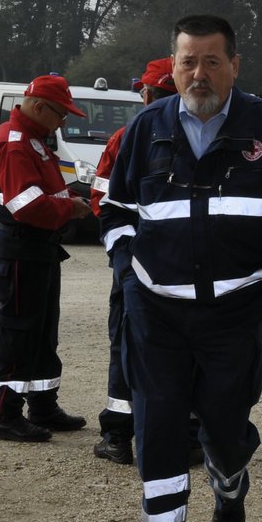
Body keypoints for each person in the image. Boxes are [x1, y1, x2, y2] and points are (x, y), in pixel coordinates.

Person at [98, 14, 262, 522]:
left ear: (234, 66)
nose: (199, 74)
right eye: (187, 62)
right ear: (172, 67)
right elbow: (115, 213)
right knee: (157, 433)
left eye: (211, 61)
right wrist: (126, 271)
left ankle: (230, 481)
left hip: (233, 313)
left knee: (226, 428)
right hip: (156, 314)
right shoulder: (145, 129)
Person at [90, 57, 199, 469]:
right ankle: (187, 436)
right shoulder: (205, 135)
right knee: (188, 350)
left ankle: (119, 436)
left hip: (137, 265)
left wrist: (123, 261)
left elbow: (103, 202)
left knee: (127, 347)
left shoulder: (127, 136)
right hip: (187, 267)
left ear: (150, 93)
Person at [0, 75, 93, 442]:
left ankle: (43, 404)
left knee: (44, 332)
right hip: (21, 251)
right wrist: (71, 210)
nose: (63, 122)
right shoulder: (16, 146)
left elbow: (48, 191)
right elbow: (27, 205)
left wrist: (72, 199)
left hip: (38, 250)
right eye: (61, 114)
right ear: (40, 107)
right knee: (19, 332)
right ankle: (7, 414)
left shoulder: (34, 142)